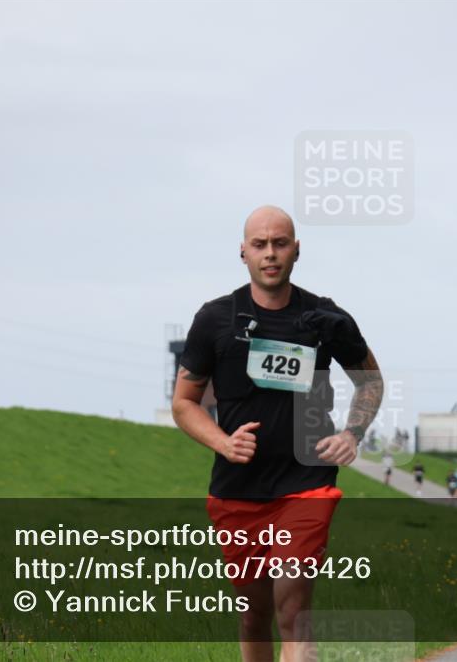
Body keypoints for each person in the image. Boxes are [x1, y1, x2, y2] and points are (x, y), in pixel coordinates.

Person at [172, 205, 384, 660]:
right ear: (243, 253)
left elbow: (371, 381)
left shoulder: (327, 318)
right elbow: (184, 403)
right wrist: (223, 443)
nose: (270, 253)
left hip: (306, 482)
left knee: (293, 613)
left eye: (280, 243)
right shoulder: (215, 318)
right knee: (253, 615)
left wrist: (352, 434)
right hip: (237, 489)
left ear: (297, 250)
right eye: (260, 244)